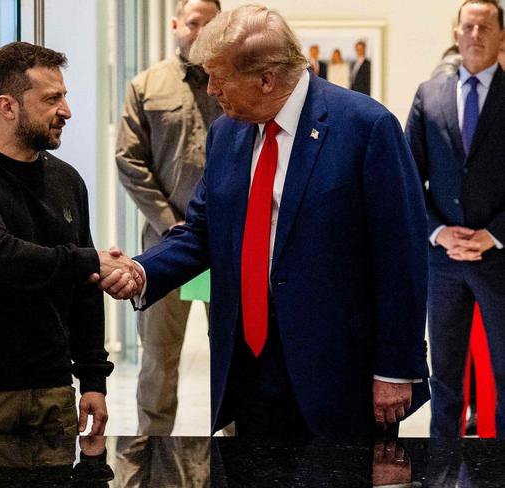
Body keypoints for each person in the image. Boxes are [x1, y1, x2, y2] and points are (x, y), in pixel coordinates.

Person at [99, 5, 430, 439]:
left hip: (338, 371)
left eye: (219, 77)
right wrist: (142, 270)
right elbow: (202, 230)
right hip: (248, 365)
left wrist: (396, 368)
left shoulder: (366, 128)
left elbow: (401, 255)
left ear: (266, 79)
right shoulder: (227, 133)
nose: (211, 88)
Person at [0, 41, 142, 439]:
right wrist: (90, 261)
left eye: (65, 96)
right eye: (51, 98)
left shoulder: (66, 180)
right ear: (7, 106)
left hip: (52, 394)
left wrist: (93, 379)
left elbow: (84, 290)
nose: (66, 110)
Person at [115, 0, 221, 435]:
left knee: (237, 361)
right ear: (177, 25)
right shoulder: (146, 85)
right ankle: (150, 457)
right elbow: (129, 159)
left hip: (226, 248)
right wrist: (169, 222)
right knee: (158, 361)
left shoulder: (236, 85)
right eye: (194, 24)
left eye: (211, 26)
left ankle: (243, 463)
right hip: (165, 247)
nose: (201, 33)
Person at [405, 0, 505, 438]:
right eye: (469, 26)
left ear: (501, 36)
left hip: (499, 260)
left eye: (486, 27)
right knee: (444, 378)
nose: (476, 35)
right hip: (443, 262)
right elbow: (409, 178)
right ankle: (441, 469)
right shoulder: (430, 94)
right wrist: (439, 231)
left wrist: (493, 236)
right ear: (455, 32)